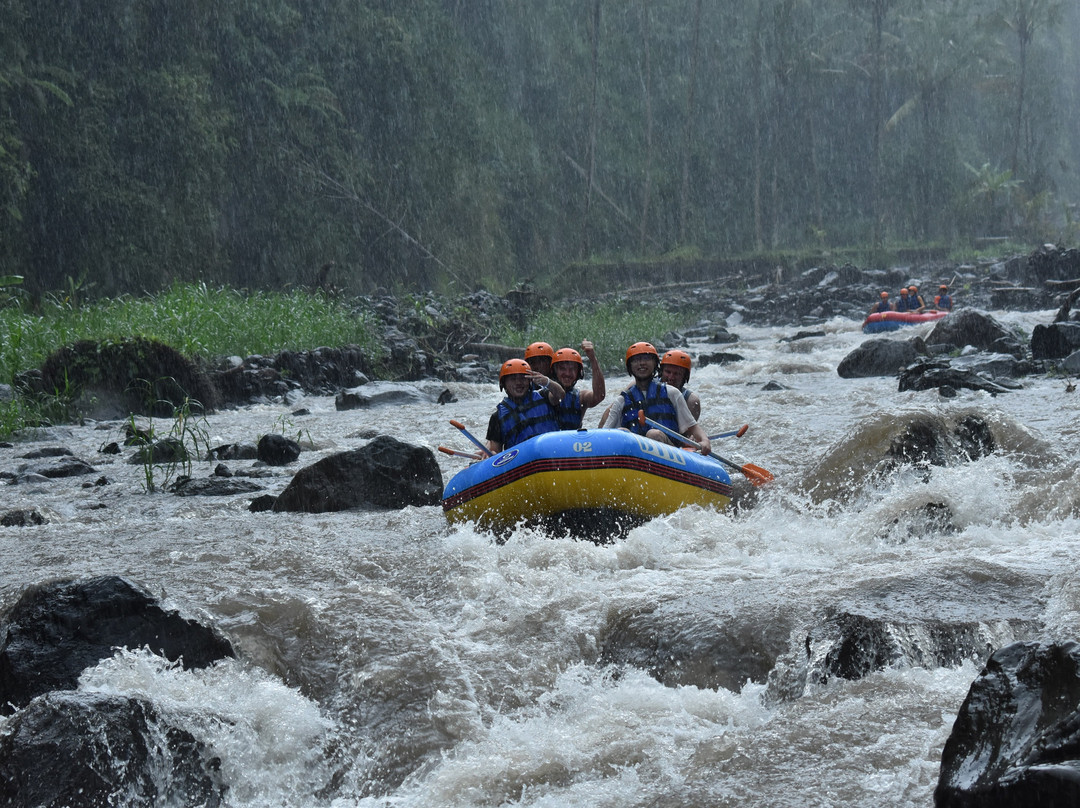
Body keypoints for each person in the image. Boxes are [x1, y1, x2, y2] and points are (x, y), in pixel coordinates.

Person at [601, 342, 711, 456]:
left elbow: (693, 427)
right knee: (622, 433)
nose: (642, 363)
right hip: (634, 456)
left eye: (647, 359)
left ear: (655, 364)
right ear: (629, 367)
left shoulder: (673, 393)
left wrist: (705, 441)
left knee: (654, 434)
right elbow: (604, 434)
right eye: (636, 360)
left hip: (670, 453)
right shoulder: (622, 400)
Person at [484, 358, 564, 454]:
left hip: (553, 452)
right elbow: (495, 451)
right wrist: (490, 454)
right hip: (524, 460)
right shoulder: (497, 418)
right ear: (503, 384)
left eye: (523, 378)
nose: (518, 383)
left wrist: (547, 382)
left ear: (529, 381)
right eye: (513, 379)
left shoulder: (544, 396)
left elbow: (560, 395)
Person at [551, 340, 606, 430]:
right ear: (554, 371)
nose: (567, 373)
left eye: (572, 369)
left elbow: (600, 396)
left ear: (578, 373)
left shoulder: (581, 398)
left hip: (573, 438)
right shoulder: (544, 394)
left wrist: (593, 359)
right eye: (562, 369)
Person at [660, 349, 700, 420]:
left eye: (677, 374)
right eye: (668, 372)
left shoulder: (691, 401)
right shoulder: (647, 386)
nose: (671, 377)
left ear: (685, 377)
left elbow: (690, 427)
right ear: (661, 372)